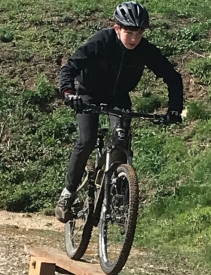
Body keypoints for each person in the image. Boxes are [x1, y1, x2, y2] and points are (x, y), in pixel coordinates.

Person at [56, 1, 184, 223]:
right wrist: (68, 92)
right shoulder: (101, 41)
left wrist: (174, 109)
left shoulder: (145, 50)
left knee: (122, 142)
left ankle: (119, 197)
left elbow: (173, 77)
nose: (134, 38)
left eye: (139, 33)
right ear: (117, 28)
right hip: (88, 94)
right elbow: (70, 67)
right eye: (129, 32)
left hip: (118, 97)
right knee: (86, 140)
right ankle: (68, 193)